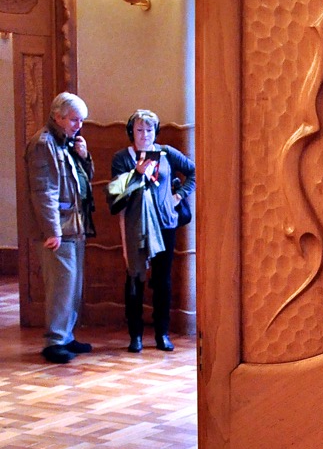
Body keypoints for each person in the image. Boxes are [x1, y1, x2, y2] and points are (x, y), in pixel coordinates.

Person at [107, 108, 195, 352]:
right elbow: (115, 193)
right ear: (131, 132)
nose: (144, 135)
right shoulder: (121, 158)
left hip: (165, 224)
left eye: (149, 130)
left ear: (155, 132)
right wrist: (136, 174)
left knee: (162, 280)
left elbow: (193, 172)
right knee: (135, 278)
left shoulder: (166, 153)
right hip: (135, 226)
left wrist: (179, 195)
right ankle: (135, 335)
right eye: (139, 130)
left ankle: (161, 334)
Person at [24, 91, 96, 365]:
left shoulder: (66, 142)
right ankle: (54, 342)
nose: (79, 125)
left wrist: (84, 157)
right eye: (75, 120)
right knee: (61, 286)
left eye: (81, 120)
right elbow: (43, 191)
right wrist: (51, 230)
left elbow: (84, 181)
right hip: (58, 230)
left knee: (73, 285)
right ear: (58, 117)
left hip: (75, 225)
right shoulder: (43, 144)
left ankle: (66, 336)